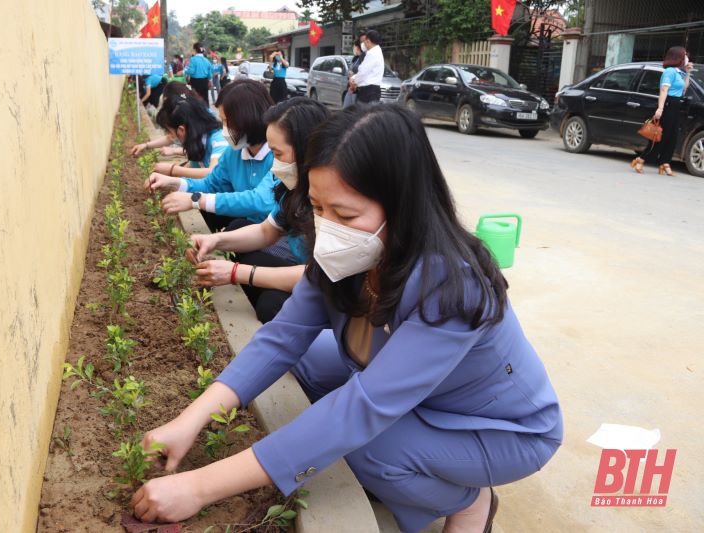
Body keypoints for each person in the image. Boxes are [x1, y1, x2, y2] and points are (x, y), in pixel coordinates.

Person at [130, 105, 563, 533]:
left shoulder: (450, 286)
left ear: (403, 204)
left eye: (347, 215)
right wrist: (191, 418)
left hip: (495, 425)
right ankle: (419, 462)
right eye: (318, 207)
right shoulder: (344, 251)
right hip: (413, 390)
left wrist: (200, 487)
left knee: (367, 447)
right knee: (307, 361)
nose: (329, 227)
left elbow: (360, 410)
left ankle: (468, 499)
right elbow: (281, 339)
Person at [190, 98, 330, 323]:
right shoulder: (293, 188)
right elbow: (266, 231)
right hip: (308, 272)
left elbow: (321, 275)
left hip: (330, 287)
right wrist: (214, 241)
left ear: (307, 148)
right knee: (244, 247)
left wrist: (235, 273)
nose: (274, 164)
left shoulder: (331, 200)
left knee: (272, 304)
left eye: (278, 153)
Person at [145, 80, 277, 232]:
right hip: (252, 226)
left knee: (236, 226)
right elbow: (211, 184)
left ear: (248, 118)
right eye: (223, 121)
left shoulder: (279, 154)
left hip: (274, 234)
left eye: (228, 122)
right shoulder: (234, 152)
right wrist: (173, 182)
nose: (225, 129)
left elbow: (260, 200)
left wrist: (195, 200)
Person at [632, 46, 694, 176]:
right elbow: (664, 90)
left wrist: (688, 72)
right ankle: (641, 159)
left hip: (677, 105)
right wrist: (660, 109)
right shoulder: (669, 72)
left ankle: (665, 162)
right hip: (668, 104)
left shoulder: (679, 72)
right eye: (685, 56)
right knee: (660, 136)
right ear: (679, 58)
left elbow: (684, 89)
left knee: (673, 137)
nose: (687, 58)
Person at [141, 98, 229, 180]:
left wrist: (172, 170)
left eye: (169, 132)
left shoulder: (219, 140)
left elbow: (213, 173)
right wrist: (169, 178)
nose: (170, 137)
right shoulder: (196, 142)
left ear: (181, 130)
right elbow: (193, 166)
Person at [130, 82, 202, 158]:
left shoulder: (200, 122)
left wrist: (174, 153)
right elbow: (172, 137)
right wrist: (146, 145)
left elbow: (199, 150)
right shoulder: (185, 114)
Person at [351, 30, 384, 103]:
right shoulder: (377, 51)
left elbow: (363, 71)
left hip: (367, 91)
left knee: (363, 113)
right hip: (372, 91)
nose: (363, 44)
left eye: (364, 41)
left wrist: (353, 81)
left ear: (368, 41)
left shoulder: (372, 53)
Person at [344, 39, 364, 108]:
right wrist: (350, 75)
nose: (354, 48)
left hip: (357, 89)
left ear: (358, 47)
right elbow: (349, 72)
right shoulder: (355, 59)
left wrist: (354, 76)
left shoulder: (364, 59)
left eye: (354, 46)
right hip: (350, 88)